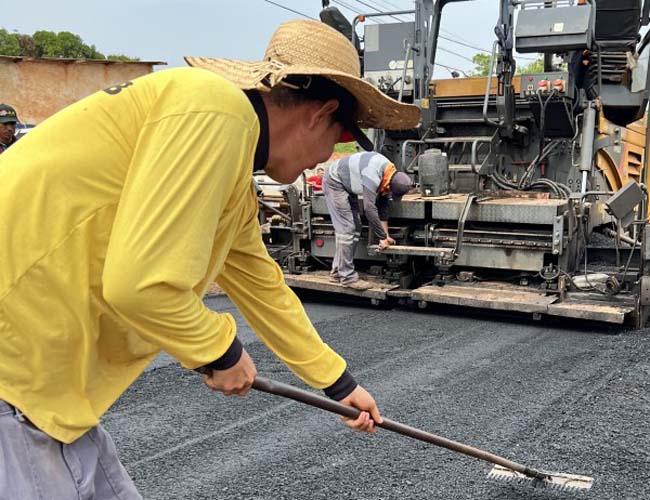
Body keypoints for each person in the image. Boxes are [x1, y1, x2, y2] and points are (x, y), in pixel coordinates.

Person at [0, 19, 419, 498]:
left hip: (45, 386)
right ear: (319, 113)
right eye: (338, 140)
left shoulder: (229, 164)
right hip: (15, 374)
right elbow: (142, 285)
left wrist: (339, 385)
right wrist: (220, 352)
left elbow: (263, 286)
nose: (325, 159)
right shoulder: (213, 111)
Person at [323, 151, 413, 290]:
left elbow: (382, 209)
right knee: (346, 229)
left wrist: (386, 236)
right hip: (335, 181)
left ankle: (337, 272)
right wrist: (382, 237)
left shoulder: (388, 174)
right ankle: (347, 277)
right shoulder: (373, 174)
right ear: (390, 185)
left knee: (356, 227)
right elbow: (369, 209)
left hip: (346, 184)